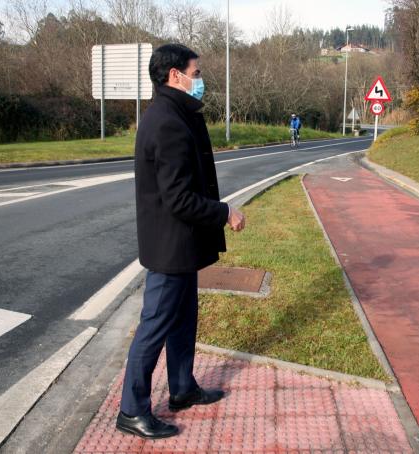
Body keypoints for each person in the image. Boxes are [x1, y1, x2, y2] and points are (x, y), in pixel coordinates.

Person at [116, 43, 246, 439]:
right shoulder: (167, 121)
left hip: (181, 246)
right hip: (170, 247)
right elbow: (178, 198)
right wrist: (225, 213)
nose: (200, 79)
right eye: (196, 71)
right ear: (175, 75)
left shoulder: (173, 112)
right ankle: (131, 410)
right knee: (155, 326)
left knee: (182, 319)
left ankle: (182, 388)